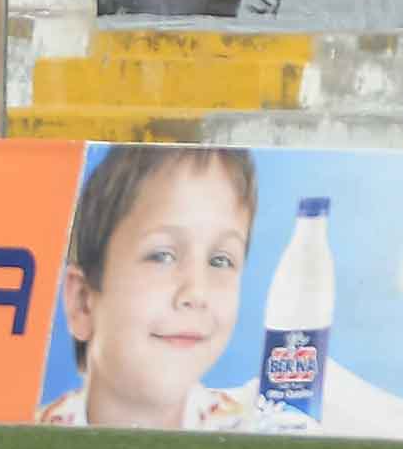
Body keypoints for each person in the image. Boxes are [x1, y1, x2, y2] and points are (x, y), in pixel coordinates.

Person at [38, 146, 257, 430]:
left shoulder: (258, 434)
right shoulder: (23, 440)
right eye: (161, 256)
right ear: (83, 302)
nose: (196, 293)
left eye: (220, 260)